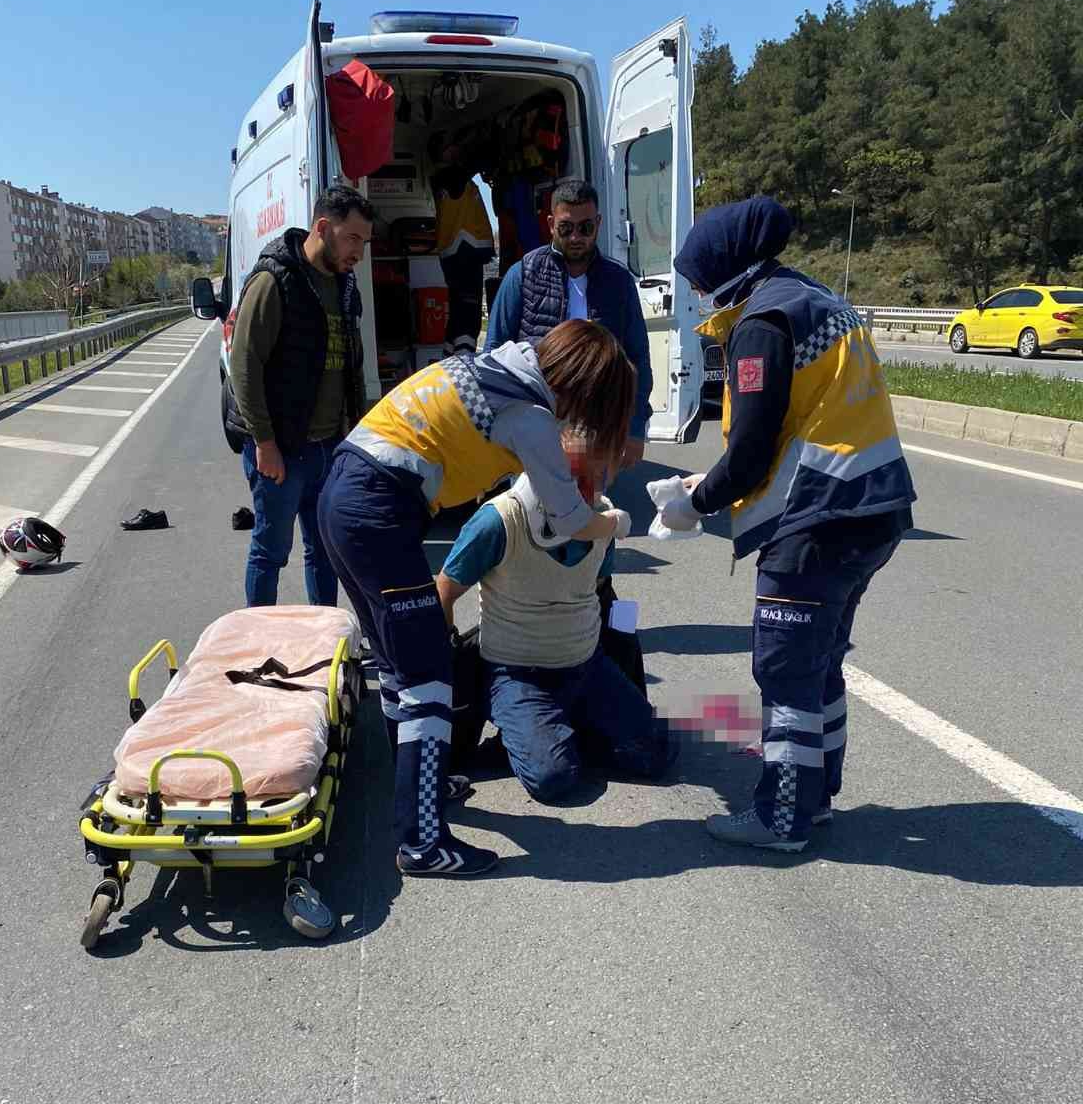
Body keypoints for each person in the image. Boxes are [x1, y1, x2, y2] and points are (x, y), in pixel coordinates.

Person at [318, 320, 635, 879]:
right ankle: (421, 843)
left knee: (396, 666)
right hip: (377, 509)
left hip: (345, 494)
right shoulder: (531, 416)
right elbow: (572, 520)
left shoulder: (500, 366)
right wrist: (618, 522)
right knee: (427, 678)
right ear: (587, 390)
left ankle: (420, 787)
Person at [666, 195, 917, 852]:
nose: (693, 289)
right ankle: (816, 796)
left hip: (818, 522)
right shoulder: (812, 298)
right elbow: (803, 421)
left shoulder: (761, 322)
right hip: (874, 508)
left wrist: (694, 504)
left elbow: (750, 452)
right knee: (819, 662)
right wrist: (710, 483)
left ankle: (781, 818)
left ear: (724, 266)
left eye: (696, 275)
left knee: (783, 674)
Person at [436, 465, 673, 802]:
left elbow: (601, 590)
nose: (586, 488)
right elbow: (443, 592)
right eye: (573, 477)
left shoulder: (604, 515)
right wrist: (451, 667)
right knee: (553, 778)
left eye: (596, 476)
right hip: (516, 672)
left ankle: (556, 728)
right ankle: (534, 731)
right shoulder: (499, 519)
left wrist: (624, 651)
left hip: (586, 664)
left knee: (657, 753)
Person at [225, 186, 374, 608]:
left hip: (330, 447)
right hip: (282, 452)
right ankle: (259, 644)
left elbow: (353, 365)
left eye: (364, 242)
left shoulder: (345, 288)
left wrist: (355, 435)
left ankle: (323, 639)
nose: (358, 253)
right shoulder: (276, 280)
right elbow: (244, 366)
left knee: (325, 551)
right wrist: (265, 443)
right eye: (352, 239)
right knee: (271, 553)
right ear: (323, 228)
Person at [485, 177, 652, 468]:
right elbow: (494, 353)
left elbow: (637, 360)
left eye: (585, 227)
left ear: (598, 224)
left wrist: (635, 429)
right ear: (551, 224)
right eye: (566, 228)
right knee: (528, 509)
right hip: (533, 422)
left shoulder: (619, 282)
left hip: (597, 425)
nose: (576, 237)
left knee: (587, 507)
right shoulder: (523, 274)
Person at [428, 131, 495, 354]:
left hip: (456, 250)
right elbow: (473, 162)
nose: (458, 150)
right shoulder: (450, 176)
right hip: (463, 250)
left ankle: (451, 354)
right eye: (451, 147)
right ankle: (465, 356)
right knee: (469, 306)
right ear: (443, 154)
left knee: (458, 305)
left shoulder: (442, 177)